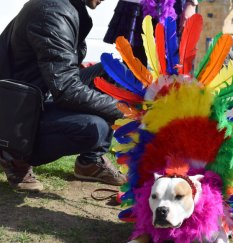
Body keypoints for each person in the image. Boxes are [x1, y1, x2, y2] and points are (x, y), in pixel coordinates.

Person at [0, 0, 127, 192]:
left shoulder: (69, 6)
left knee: (114, 72)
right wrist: (126, 110)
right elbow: (67, 90)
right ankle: (13, 156)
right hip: (14, 114)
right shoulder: (53, 12)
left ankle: (89, 163)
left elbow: (63, 77)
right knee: (94, 129)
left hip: (38, 95)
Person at [104, 0, 197, 64]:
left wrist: (191, 3)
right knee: (135, 71)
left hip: (169, 9)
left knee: (170, 70)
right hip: (136, 8)